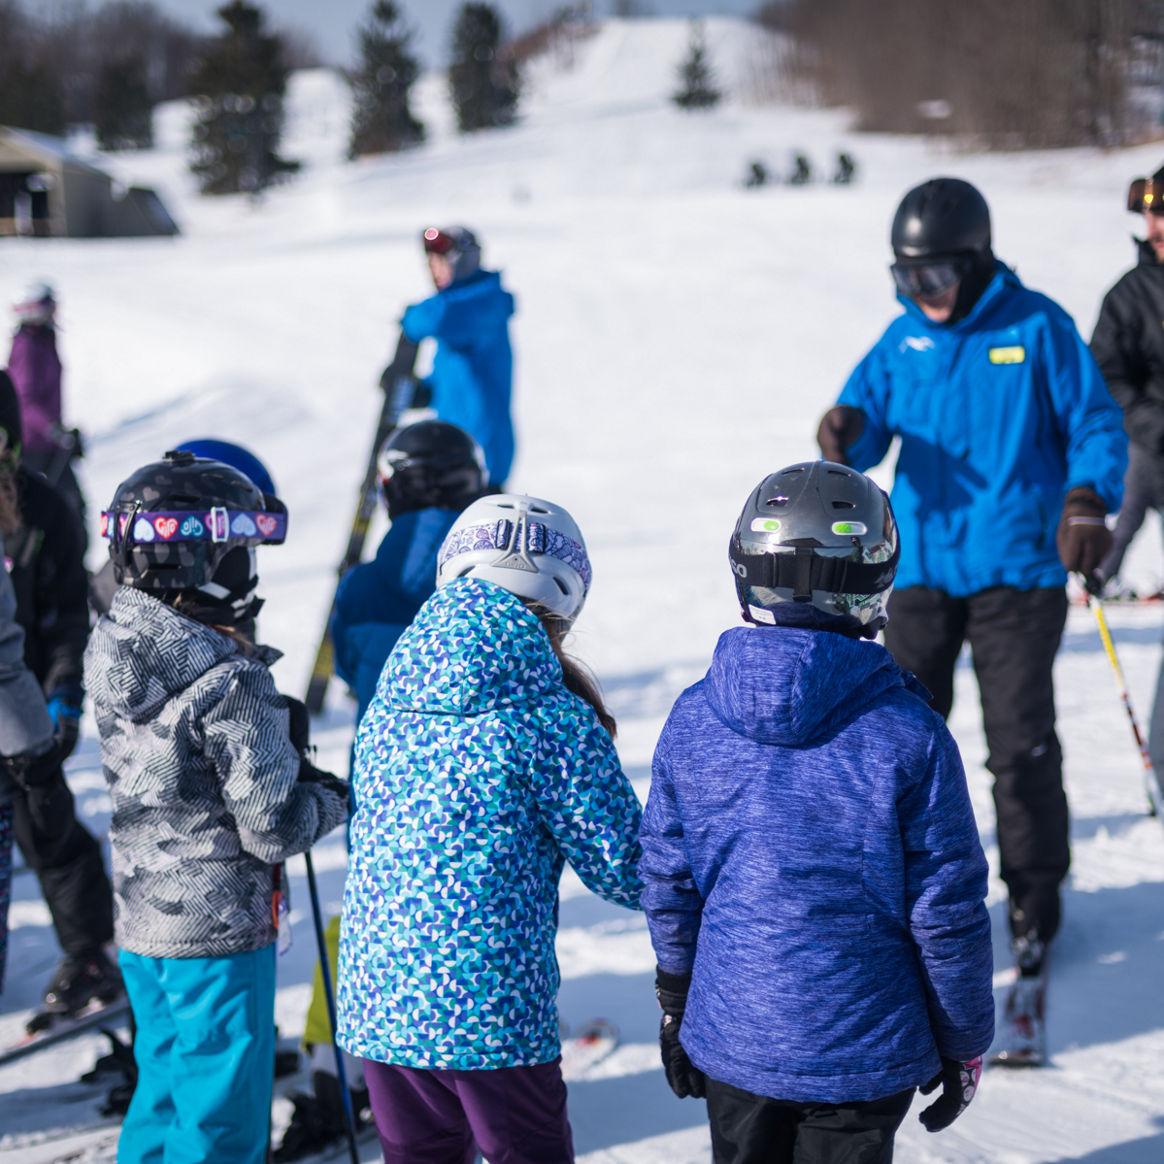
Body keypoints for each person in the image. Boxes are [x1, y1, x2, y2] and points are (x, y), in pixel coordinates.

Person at [639, 461, 995, 1162]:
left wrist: (677, 997)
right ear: (874, 579)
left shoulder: (693, 718)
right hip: (861, 1051)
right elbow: (947, 909)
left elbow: (668, 881)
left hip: (736, 1036)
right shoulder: (907, 732)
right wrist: (964, 1042)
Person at [816, 176, 1127, 980]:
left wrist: (1088, 500)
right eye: (906, 280)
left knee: (1017, 745)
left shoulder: (1038, 327)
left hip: (1019, 571)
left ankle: (1033, 897)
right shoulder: (903, 338)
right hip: (919, 569)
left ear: (977, 261)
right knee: (899, 747)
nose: (922, 294)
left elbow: (1096, 422)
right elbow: (864, 417)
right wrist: (845, 429)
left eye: (934, 278)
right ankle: (896, 899)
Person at [336, 493, 642, 1164]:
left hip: (380, 1002)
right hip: (488, 1014)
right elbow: (629, 869)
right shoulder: (548, 717)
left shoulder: (392, 696)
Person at [83, 449, 350, 1164]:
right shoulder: (232, 683)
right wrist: (329, 797)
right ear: (200, 562)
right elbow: (271, 828)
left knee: (166, 1085)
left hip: (142, 920)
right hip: (218, 932)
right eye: (239, 556)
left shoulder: (112, 647)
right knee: (222, 1113)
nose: (247, 574)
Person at [273, 419, 487, 1162]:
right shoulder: (486, 578)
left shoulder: (363, 582)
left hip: (387, 778)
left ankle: (342, 1076)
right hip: (480, 786)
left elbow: (348, 664)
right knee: (476, 924)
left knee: (369, 926)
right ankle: (469, 1075)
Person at [0, 370, 119, 1025]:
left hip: (27, 697)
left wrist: (63, 692)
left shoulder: (42, 509)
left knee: (46, 829)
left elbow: (69, 612)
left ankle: (89, 951)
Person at [394, 226, 516, 488]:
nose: (433, 270)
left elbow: (434, 318)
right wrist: (424, 391)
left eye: (439, 262)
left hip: (480, 457)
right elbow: (455, 378)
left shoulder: (484, 305)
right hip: (453, 454)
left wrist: (409, 318)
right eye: (430, 263)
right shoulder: (464, 307)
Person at [1090, 164, 1164, 596]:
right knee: (1131, 509)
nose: (1154, 227)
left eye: (1162, 214)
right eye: (1149, 216)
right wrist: (1152, 423)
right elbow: (1104, 377)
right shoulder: (1128, 297)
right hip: (1151, 448)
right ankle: (1100, 575)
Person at [7, 281, 85, 538]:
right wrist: (53, 431)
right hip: (32, 446)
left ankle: (73, 569)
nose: (54, 311)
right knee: (54, 507)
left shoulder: (44, 340)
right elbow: (24, 400)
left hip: (48, 445)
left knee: (72, 506)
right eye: (49, 306)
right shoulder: (27, 346)